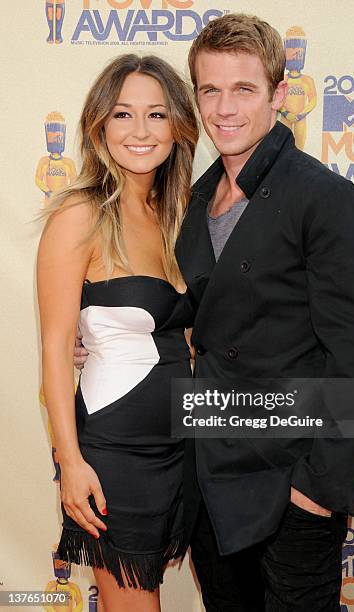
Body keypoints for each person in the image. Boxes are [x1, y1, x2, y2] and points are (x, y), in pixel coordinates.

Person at [75, 14, 354, 612]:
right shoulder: (194, 201)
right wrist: (93, 336)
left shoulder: (323, 198)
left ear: (279, 95)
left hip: (289, 482)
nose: (224, 108)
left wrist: (317, 492)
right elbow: (182, 315)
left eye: (243, 89)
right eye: (210, 90)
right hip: (209, 476)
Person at [37, 54, 198, 611]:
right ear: (99, 125)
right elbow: (56, 350)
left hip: (187, 445)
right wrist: (71, 462)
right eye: (123, 114)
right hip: (117, 454)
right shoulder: (79, 215)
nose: (139, 131)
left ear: (178, 126)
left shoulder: (180, 213)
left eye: (156, 115)